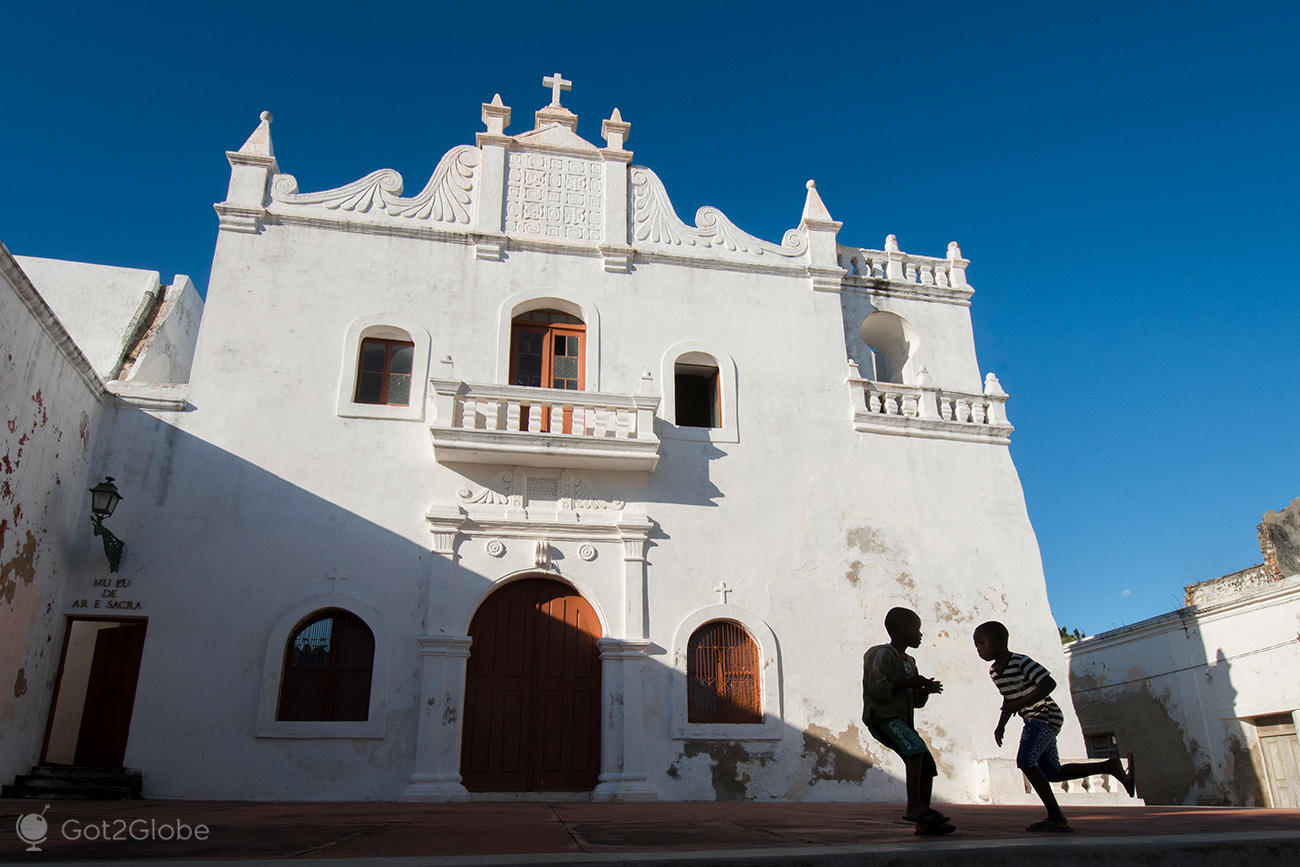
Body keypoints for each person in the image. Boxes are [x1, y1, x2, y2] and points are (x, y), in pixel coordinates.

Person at [973, 620, 1136, 832]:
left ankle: (1056, 816)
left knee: (1025, 761)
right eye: (976, 644)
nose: (979, 648)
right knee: (1052, 773)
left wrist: (1022, 703)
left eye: (982, 642)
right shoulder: (995, 672)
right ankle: (1110, 766)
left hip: (1045, 716)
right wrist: (1001, 725)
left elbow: (1048, 684)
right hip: (1032, 718)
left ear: (1000, 641)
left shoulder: (1021, 662)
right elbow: (1008, 699)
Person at [863, 607, 954, 836]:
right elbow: (877, 689)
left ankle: (925, 818)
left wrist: (925, 690)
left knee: (926, 764)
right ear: (903, 631)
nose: (920, 635)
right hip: (883, 718)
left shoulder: (910, 662)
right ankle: (914, 806)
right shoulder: (881, 654)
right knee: (915, 751)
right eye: (917, 629)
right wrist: (910, 683)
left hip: (902, 720)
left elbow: (913, 701)